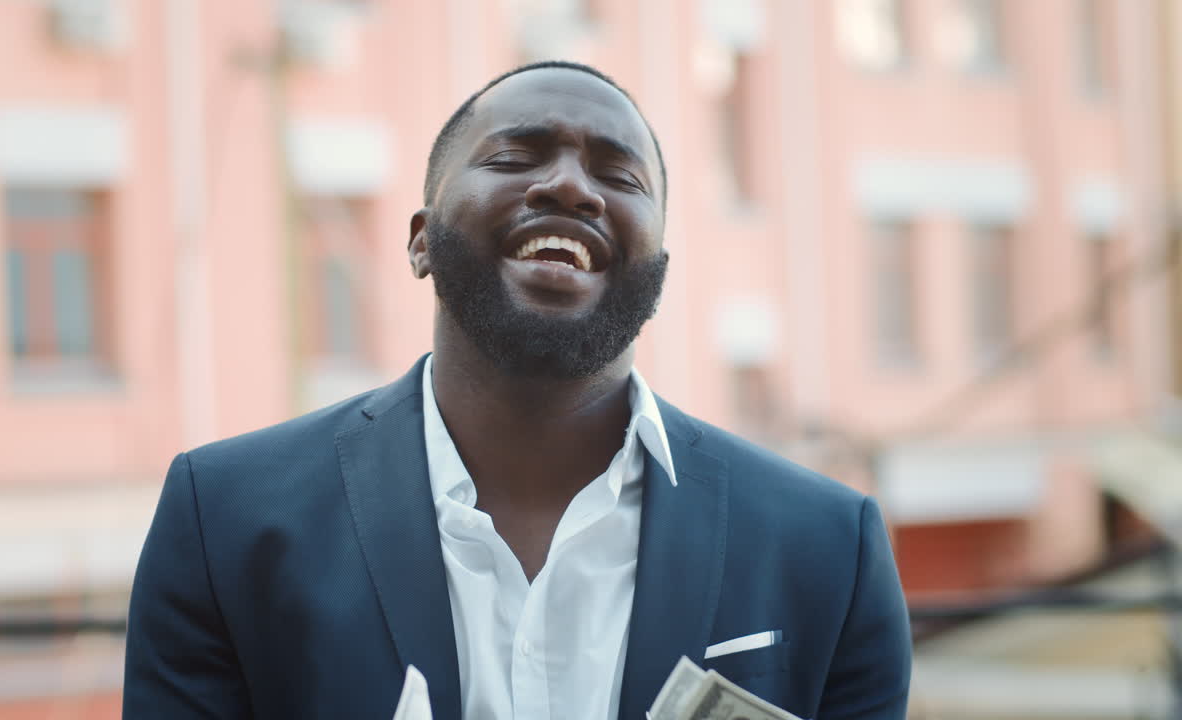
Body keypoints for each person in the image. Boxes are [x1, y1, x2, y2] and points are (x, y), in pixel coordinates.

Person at [123, 61, 912, 720]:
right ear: (421, 239)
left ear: (658, 275)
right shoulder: (225, 520)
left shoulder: (826, 550)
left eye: (617, 173)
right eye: (515, 157)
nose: (571, 188)